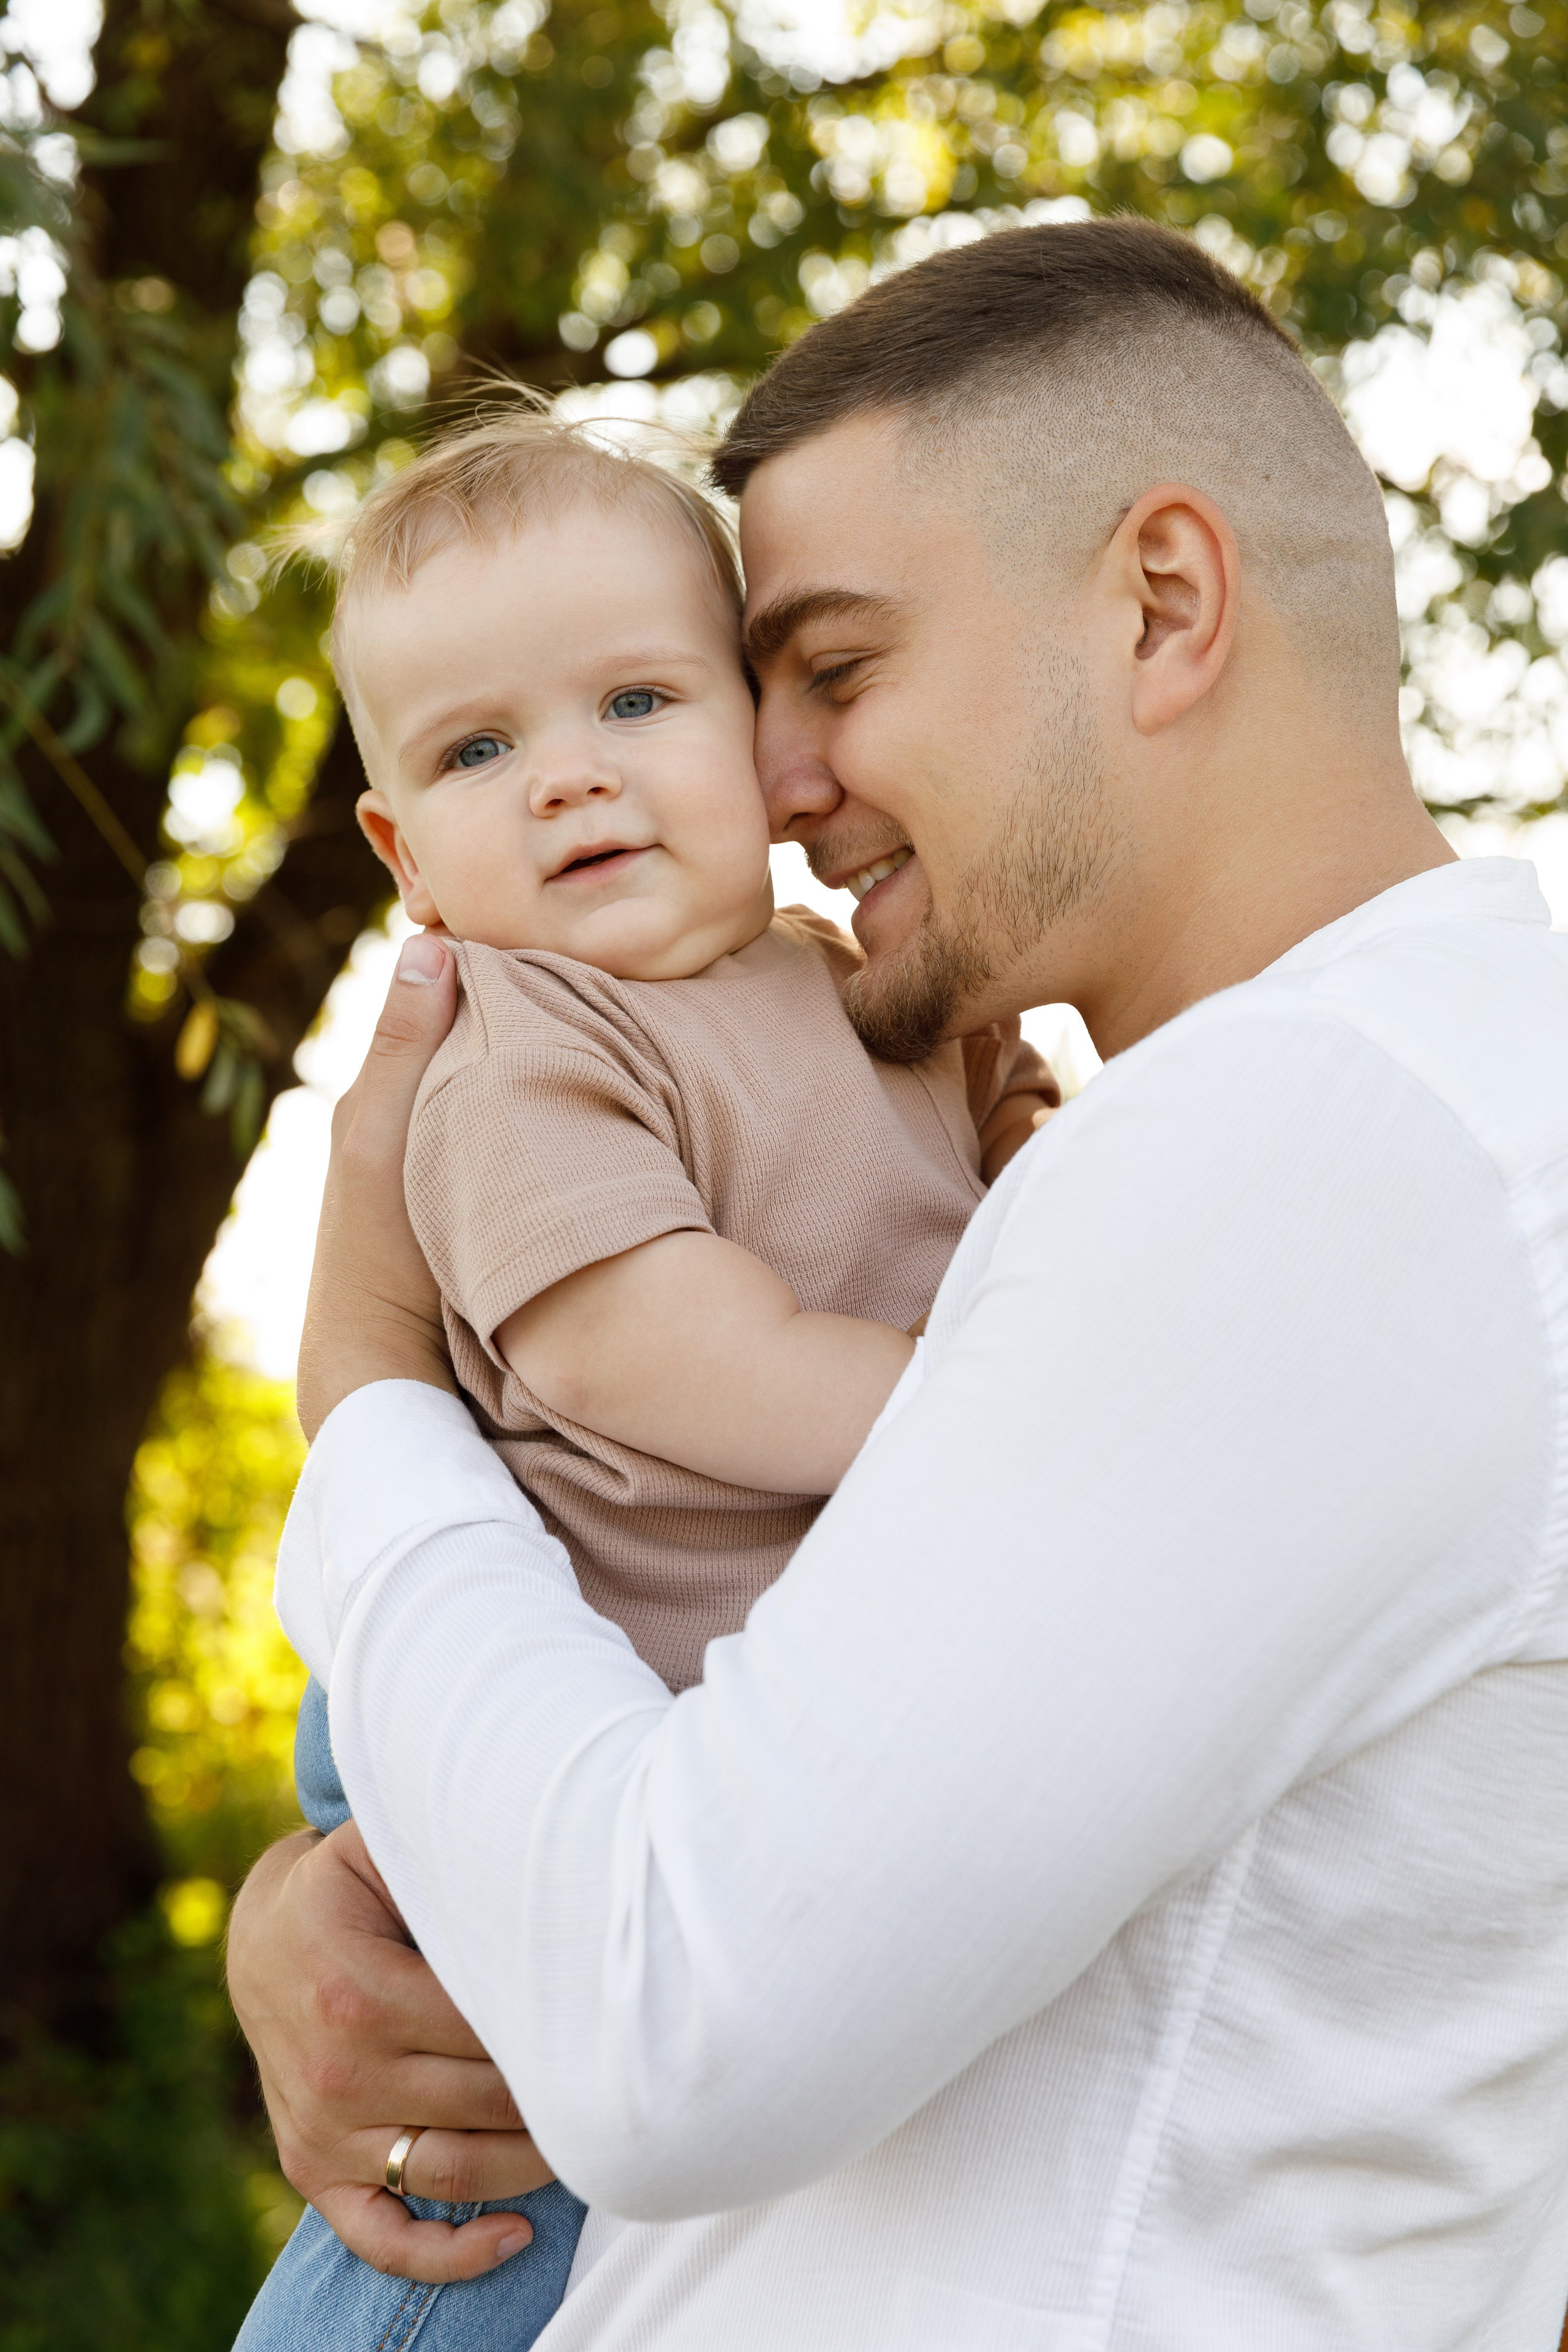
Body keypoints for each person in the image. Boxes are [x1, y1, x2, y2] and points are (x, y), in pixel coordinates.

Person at [230, 219, 1568, 2348]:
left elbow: (669, 2017)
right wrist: (368, 1890)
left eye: (835, 670)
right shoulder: (1261, 1136)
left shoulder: (1336, 1124)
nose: (769, 777)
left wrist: (372, 1391)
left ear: (1161, 605)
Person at [234, 407, 1057, 2351]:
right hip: (549, 1680)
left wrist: (1023, 1122)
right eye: (477, 750)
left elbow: (1023, 1161)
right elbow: (656, 1341)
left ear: (765, 744)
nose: (569, 782)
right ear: (400, 851)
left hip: (742, 1721)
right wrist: (989, 1405)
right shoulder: (519, 1040)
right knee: (489, 2207)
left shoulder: (861, 980)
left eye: (633, 701)